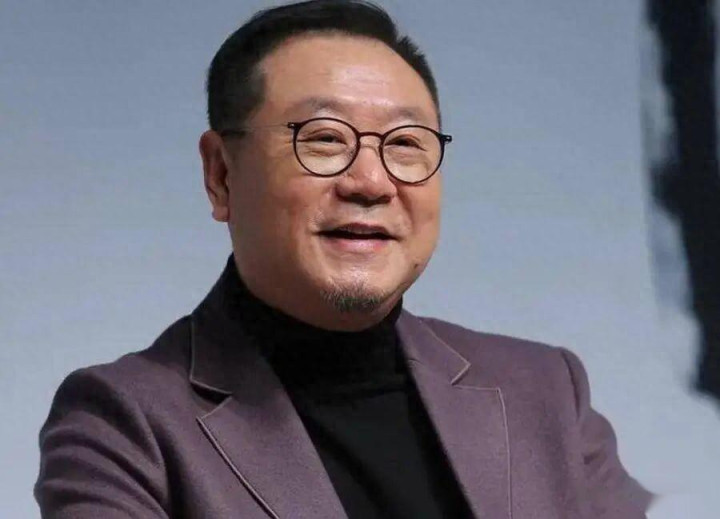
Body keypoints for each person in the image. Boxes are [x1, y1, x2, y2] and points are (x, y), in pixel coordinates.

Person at [35, 1, 653, 517]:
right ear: (221, 175)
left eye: (406, 144)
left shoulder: (544, 390)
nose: (372, 182)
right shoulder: (123, 425)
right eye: (325, 139)